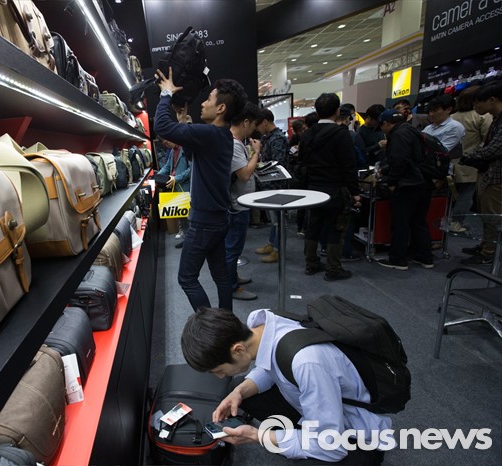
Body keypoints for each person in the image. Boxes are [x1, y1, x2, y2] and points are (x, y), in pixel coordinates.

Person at [180, 307, 391, 464]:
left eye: (218, 369)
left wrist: (257, 436)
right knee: (240, 387)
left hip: (354, 435)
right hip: (320, 408)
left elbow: (331, 445)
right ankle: (299, 436)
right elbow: (270, 366)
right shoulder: (262, 326)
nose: (219, 377)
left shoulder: (306, 363)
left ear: (238, 350)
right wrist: (238, 392)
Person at [154, 67, 247, 313]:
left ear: (221, 108)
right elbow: (192, 154)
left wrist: (166, 94)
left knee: (186, 278)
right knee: (221, 276)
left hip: (204, 222)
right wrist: (183, 123)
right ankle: (225, 320)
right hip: (218, 219)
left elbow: (161, 125)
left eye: (208, 99)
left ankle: (211, 327)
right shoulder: (222, 136)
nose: (203, 104)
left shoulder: (210, 134)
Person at [300, 93, 361, 281]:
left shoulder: (307, 134)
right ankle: (333, 268)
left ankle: (311, 263)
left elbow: (302, 162)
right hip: (335, 189)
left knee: (313, 226)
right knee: (336, 228)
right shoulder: (341, 134)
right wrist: (355, 192)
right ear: (337, 110)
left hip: (313, 189)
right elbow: (348, 166)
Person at [376, 109, 434, 270]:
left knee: (400, 223)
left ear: (386, 123)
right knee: (419, 222)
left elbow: (400, 160)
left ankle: (398, 259)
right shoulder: (413, 131)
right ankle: (425, 257)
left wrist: (392, 181)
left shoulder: (398, 135)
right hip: (423, 182)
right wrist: (387, 171)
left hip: (407, 184)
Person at [458, 82, 502, 265]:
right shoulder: (496, 119)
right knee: (485, 212)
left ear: (492, 100)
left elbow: (495, 148)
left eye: (478, 103)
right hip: (488, 173)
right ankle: (486, 245)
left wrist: (471, 156)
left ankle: (489, 252)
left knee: (492, 215)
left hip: (497, 176)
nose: (475, 107)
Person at [226, 102, 261, 300]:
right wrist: (256, 152)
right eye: (254, 124)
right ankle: (231, 287)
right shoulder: (233, 144)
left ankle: (233, 278)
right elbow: (244, 175)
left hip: (239, 203)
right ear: (246, 122)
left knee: (234, 248)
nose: (254, 129)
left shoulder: (236, 143)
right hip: (237, 205)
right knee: (232, 248)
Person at [450, 86, 493, 231]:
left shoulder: (452, 117)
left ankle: (452, 221)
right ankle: (456, 223)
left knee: (454, 195)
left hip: (453, 162)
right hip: (472, 164)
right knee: (466, 195)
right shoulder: (482, 117)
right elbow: (487, 140)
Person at [254, 109, 289, 264]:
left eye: (258, 125)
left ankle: (278, 250)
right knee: (273, 219)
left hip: (276, 185)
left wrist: (260, 166)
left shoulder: (278, 138)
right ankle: (272, 244)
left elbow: (277, 163)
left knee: (278, 220)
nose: (256, 128)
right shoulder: (267, 137)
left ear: (265, 122)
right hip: (268, 184)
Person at [157, 138, 192, 246]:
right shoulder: (173, 151)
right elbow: (167, 167)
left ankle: (191, 241)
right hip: (177, 187)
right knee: (182, 215)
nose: (167, 145)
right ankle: (186, 240)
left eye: (167, 142)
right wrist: (157, 176)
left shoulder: (186, 149)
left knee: (189, 216)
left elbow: (191, 169)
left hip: (186, 187)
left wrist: (177, 178)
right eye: (165, 144)